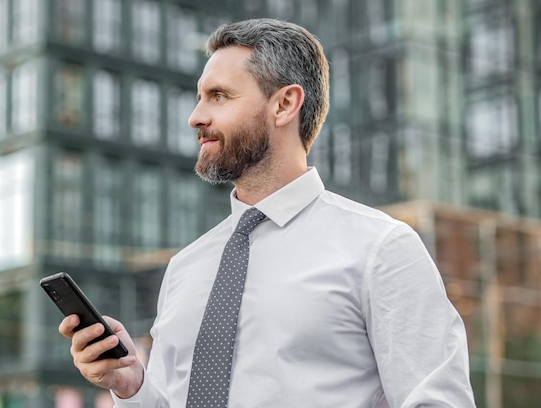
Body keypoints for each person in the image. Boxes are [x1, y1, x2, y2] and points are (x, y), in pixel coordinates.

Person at [58, 18, 476, 407]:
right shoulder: (186, 267)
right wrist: (132, 386)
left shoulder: (381, 249)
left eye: (219, 96)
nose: (195, 117)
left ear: (284, 105)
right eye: (199, 97)